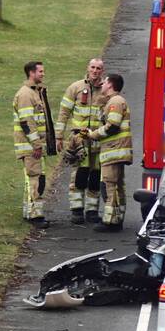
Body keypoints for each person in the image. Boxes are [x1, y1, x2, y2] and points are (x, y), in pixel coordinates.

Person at [54, 58, 105, 224]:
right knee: (79, 174)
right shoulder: (75, 87)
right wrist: (59, 135)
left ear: (102, 71)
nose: (95, 71)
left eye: (98, 68)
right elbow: (63, 113)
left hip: (97, 139)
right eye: (93, 67)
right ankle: (76, 210)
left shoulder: (106, 90)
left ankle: (92, 210)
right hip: (79, 140)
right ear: (88, 68)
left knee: (96, 175)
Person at [86, 73, 132, 233]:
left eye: (105, 82)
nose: (102, 84)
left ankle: (110, 221)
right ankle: (116, 218)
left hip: (114, 150)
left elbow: (112, 126)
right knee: (116, 185)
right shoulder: (113, 101)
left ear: (111, 84)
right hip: (116, 150)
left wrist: (93, 134)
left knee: (109, 185)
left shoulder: (115, 102)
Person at [12, 61, 55, 229]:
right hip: (30, 146)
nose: (43, 74)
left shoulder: (35, 92)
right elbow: (26, 122)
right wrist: (36, 144)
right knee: (35, 179)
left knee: (36, 178)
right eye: (40, 71)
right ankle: (35, 215)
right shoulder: (26, 94)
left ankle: (29, 212)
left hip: (34, 145)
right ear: (31, 73)